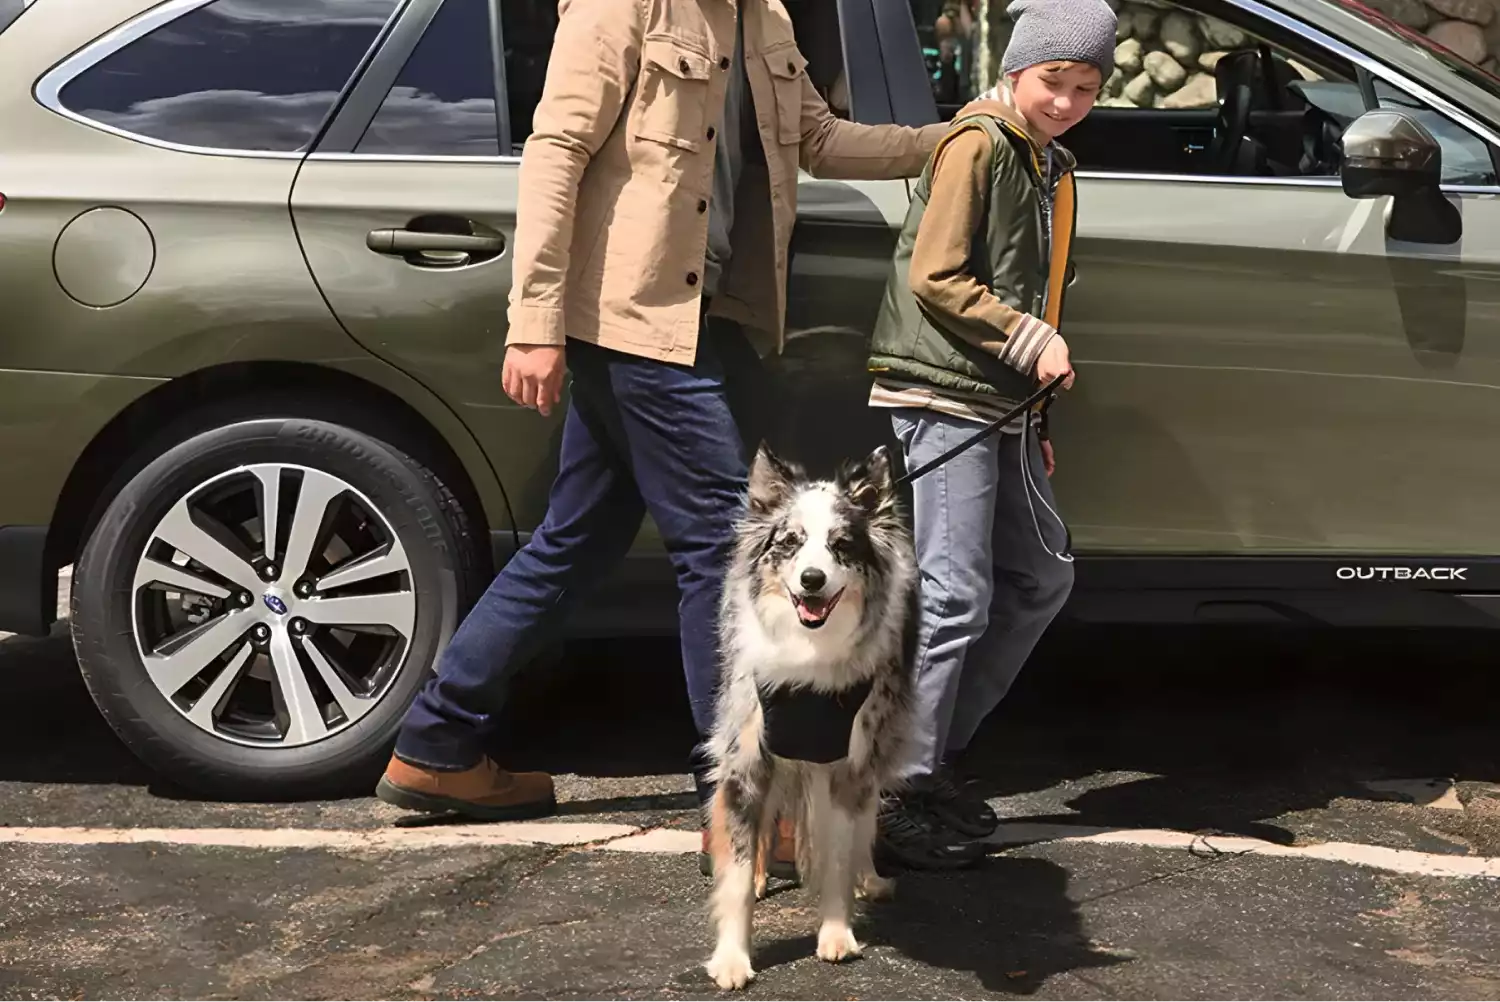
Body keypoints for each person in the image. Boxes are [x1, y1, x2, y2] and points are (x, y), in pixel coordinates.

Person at [374, 0, 951, 874]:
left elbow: (820, 138)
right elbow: (556, 151)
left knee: (573, 541)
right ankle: (740, 802)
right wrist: (532, 319)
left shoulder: (767, 18)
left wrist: (954, 140)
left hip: (708, 320)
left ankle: (437, 745)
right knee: (725, 549)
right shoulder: (621, 7)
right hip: (629, 317)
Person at [863, 0, 1117, 870]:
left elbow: (1039, 285)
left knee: (1041, 576)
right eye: (1054, 81)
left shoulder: (1047, 160)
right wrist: (1029, 340)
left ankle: (930, 759)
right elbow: (937, 275)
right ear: (1015, 71)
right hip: (943, 393)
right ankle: (899, 790)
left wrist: (1037, 409)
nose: (1067, 101)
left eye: (1086, 88)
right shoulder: (979, 144)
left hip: (1003, 402)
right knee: (955, 593)